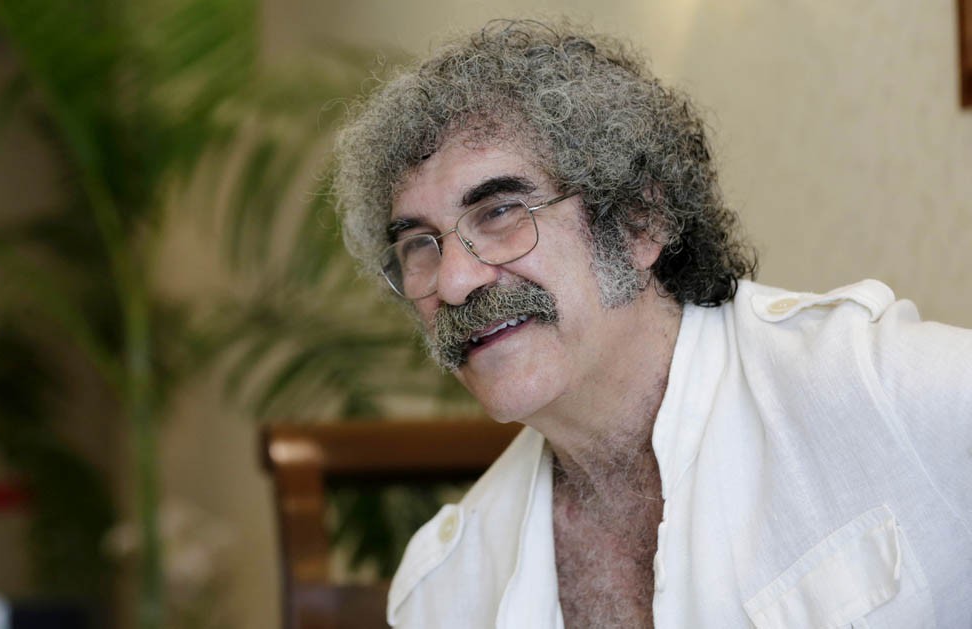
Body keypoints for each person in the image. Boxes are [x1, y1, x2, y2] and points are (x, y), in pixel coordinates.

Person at [332, 18, 972, 629]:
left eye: (500, 212)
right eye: (418, 244)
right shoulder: (447, 590)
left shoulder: (874, 388)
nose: (453, 281)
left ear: (640, 221)